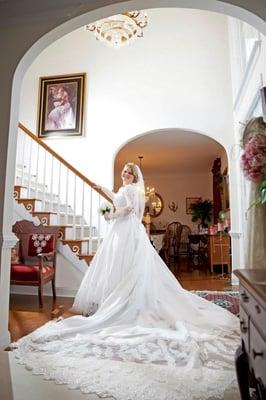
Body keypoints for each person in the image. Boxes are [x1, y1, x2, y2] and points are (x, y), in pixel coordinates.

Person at [12, 163, 240, 400]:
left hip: (127, 230)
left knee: (128, 266)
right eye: (123, 172)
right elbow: (118, 198)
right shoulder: (124, 189)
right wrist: (102, 189)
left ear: (134, 176)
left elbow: (130, 209)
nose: (124, 175)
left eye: (128, 173)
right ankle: (112, 298)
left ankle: (127, 301)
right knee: (114, 266)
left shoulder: (135, 190)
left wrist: (111, 215)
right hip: (118, 231)